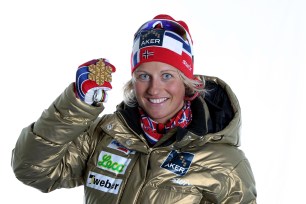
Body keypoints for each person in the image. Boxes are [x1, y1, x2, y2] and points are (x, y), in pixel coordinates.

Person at [11, 14, 257, 203]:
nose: (154, 89)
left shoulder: (226, 163)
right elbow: (31, 169)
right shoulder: (104, 135)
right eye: (143, 76)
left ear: (186, 80)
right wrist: (77, 103)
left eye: (167, 75)